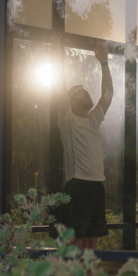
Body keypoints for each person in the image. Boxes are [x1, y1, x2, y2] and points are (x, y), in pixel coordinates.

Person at [54, 34, 113, 250]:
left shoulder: (94, 118)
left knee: (91, 241)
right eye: (80, 92)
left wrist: (104, 62)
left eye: (86, 91)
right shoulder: (67, 118)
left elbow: (107, 95)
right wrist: (58, 50)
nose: (86, 93)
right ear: (70, 101)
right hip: (76, 185)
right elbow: (60, 87)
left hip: (97, 186)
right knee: (75, 242)